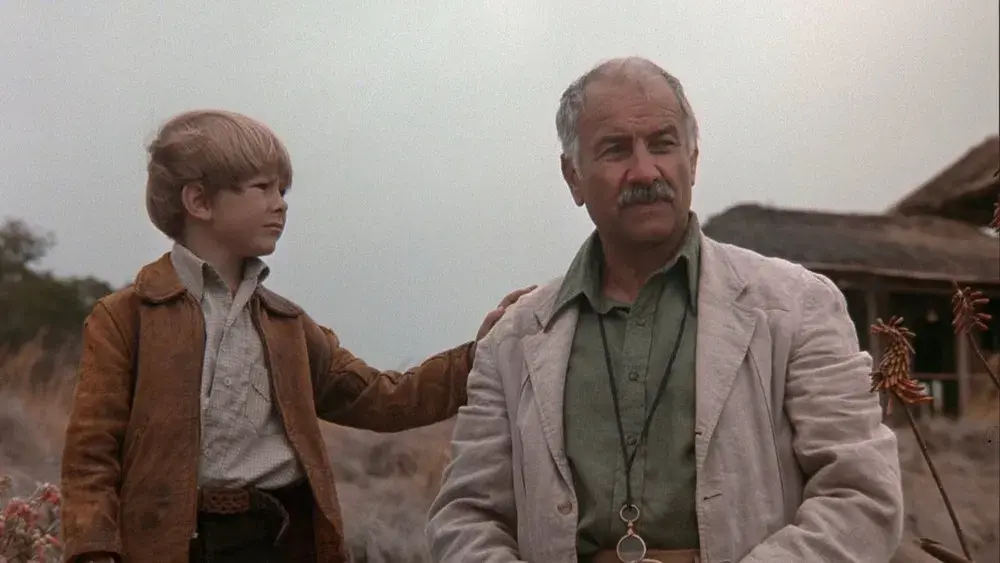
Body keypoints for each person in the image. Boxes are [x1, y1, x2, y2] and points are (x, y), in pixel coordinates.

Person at [426, 57, 904, 563]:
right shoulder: (513, 342)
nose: (645, 171)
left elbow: (861, 496)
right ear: (573, 177)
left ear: (692, 159)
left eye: (663, 144)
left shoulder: (797, 308)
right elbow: (465, 517)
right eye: (615, 149)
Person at [59, 109, 534, 563]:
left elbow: (382, 398)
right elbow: (91, 458)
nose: (280, 203)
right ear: (199, 201)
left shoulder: (286, 325)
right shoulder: (126, 318)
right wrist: (95, 551)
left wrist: (481, 354)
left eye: (282, 189)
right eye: (262, 187)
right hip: (168, 548)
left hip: (278, 542)